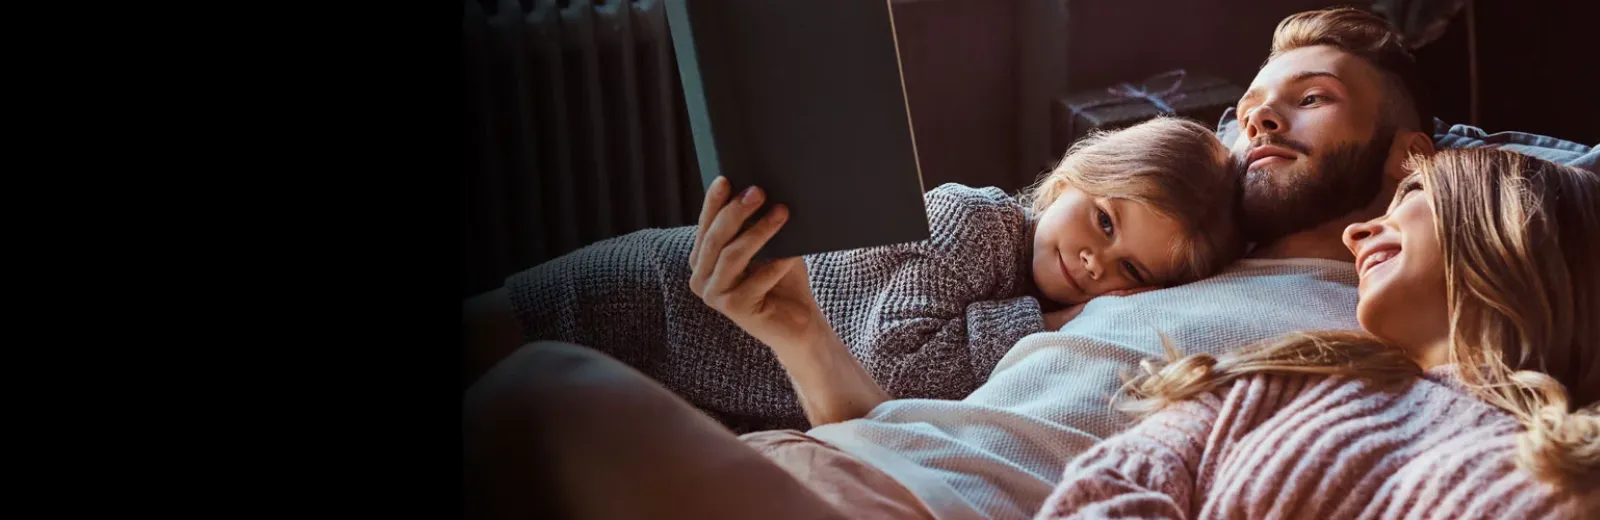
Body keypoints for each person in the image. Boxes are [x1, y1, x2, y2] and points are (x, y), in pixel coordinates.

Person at [463, 7, 1580, 520]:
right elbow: (913, 418)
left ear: (1412, 158)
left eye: (1311, 98)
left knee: (537, 401)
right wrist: (794, 330)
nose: (1259, 122)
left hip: (921, 505)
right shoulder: (1174, 250)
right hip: (843, 451)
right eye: (1251, 105)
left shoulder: (1388, 314)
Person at [464, 116, 1242, 432]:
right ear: (1072, 176)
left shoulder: (1039, 286)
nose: (1094, 262)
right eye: (1103, 223)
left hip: (701, 386)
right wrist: (1040, 325)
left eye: (1130, 270)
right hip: (649, 301)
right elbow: (893, 368)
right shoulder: (976, 221)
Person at [1034, 148, 1599, 519]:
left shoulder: (1570, 464)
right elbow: (1112, 486)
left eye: (1415, 194)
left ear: (1517, 227)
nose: (1357, 233)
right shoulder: (1281, 375)